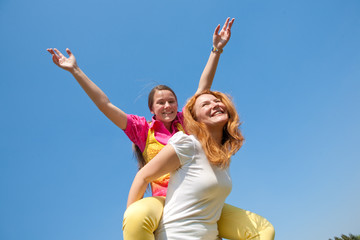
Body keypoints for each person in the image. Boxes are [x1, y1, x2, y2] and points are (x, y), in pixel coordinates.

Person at [47, 17, 274, 239]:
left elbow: (204, 89)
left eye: (171, 101)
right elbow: (105, 105)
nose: (167, 105)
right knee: (136, 217)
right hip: (164, 200)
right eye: (161, 102)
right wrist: (75, 70)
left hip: (200, 197)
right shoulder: (142, 129)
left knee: (264, 230)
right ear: (152, 109)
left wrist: (216, 50)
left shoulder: (187, 122)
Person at [127, 90, 274, 240]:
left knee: (264, 230)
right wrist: (130, 219)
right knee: (136, 216)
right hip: (177, 235)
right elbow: (143, 176)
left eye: (217, 101)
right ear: (195, 119)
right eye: (205, 104)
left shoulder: (222, 155)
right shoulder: (187, 145)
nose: (214, 105)